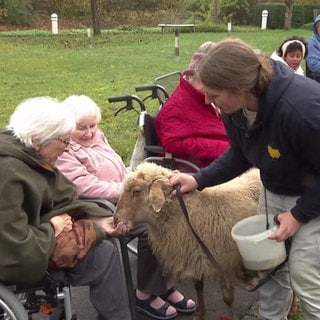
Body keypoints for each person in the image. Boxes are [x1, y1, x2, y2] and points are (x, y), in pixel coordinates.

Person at [169, 38, 320, 320]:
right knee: (269, 265)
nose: (206, 100)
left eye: (213, 94)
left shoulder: (302, 109)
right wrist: (199, 179)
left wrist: (298, 215)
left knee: (305, 278)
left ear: (240, 87)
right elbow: (240, 154)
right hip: (274, 189)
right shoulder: (234, 108)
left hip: (313, 200)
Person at [55, 94, 196, 320]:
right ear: (67, 127)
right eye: (82, 128)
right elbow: (85, 186)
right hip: (96, 209)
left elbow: (119, 166)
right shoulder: (65, 150)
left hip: (121, 198)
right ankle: (145, 295)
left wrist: (134, 179)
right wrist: (131, 190)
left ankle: (160, 286)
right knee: (152, 228)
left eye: (93, 125)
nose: (90, 132)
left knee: (167, 220)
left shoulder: (96, 136)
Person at [0, 96, 132, 320]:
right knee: (103, 254)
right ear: (37, 139)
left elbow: (67, 195)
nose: (67, 148)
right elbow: (14, 247)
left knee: (105, 242)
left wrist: (96, 218)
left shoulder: (33, 155)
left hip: (34, 238)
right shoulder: (8, 174)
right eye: (64, 141)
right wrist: (52, 228)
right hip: (15, 259)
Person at [155, 42, 229, 170]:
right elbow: (171, 143)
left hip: (225, 159)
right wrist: (223, 148)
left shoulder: (201, 98)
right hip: (198, 170)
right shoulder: (176, 107)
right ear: (195, 75)